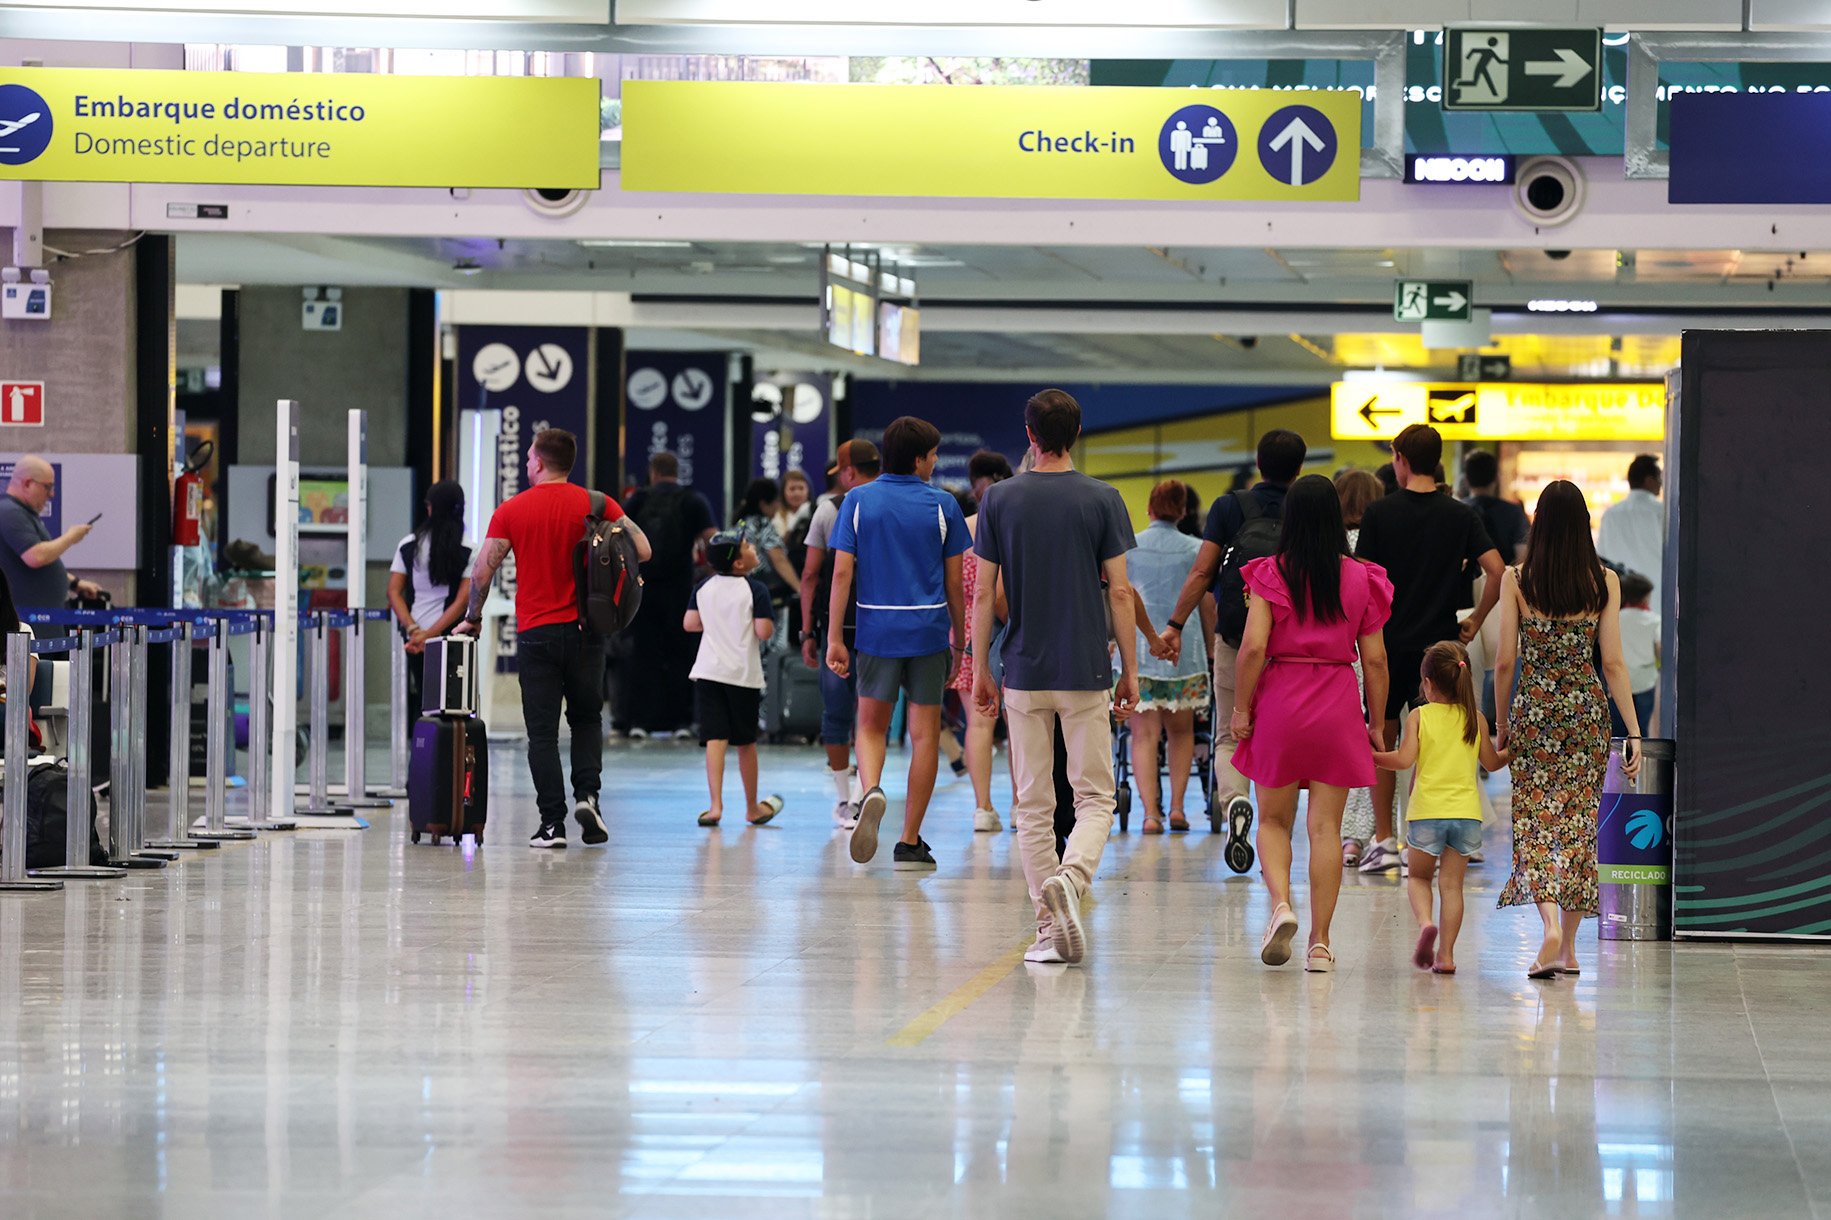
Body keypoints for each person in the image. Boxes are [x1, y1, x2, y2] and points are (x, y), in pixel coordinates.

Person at [973, 389, 1138, 966]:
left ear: (1029, 433)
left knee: (1032, 804)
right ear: (1077, 433)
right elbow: (1120, 590)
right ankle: (1072, 878)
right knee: (1094, 797)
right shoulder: (1104, 499)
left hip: (1021, 668)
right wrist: (1130, 671)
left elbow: (984, 596)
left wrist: (980, 668)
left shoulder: (998, 499)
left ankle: (1048, 928)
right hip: (1086, 665)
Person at [458, 428, 651, 849]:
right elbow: (644, 548)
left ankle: (552, 825)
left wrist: (472, 618)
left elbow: (482, 572)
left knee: (542, 733)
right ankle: (588, 797)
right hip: (587, 632)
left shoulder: (512, 509)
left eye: (529, 458)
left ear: (539, 463)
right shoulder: (598, 504)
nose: (527, 464)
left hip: (536, 635)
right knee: (586, 719)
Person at [1230, 474, 1391, 973]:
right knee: (1325, 827)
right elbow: (1377, 660)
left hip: (1281, 699)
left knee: (1274, 820)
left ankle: (1281, 904)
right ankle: (1320, 944)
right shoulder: (1363, 578)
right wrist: (1377, 723)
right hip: (1337, 701)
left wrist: (1241, 708)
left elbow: (1254, 646)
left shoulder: (1270, 573)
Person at [1495, 480, 1643, 979]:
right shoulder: (1604, 581)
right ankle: (1570, 949)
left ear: (1539, 523)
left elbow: (1503, 662)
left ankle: (1549, 928)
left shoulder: (1516, 579)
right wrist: (1635, 732)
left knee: (1536, 822)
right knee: (1581, 829)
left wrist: (1501, 725)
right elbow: (1614, 663)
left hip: (1535, 712)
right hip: (1586, 714)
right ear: (1584, 525)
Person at [1353, 425, 1504, 875]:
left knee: (1384, 736)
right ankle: (1427, 834)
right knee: (1439, 741)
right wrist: (1475, 619)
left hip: (1387, 642)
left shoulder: (1379, 514)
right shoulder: (1460, 516)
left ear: (1399, 458)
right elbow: (1496, 570)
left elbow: (1363, 576)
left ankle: (1383, 841)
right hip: (1440, 649)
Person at [827, 417, 969, 872]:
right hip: (928, 632)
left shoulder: (857, 501)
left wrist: (834, 637)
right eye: (932, 455)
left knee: (870, 726)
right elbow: (954, 582)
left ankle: (870, 791)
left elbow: (842, 574)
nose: (934, 462)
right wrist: (960, 641)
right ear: (917, 459)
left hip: (875, 630)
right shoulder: (943, 505)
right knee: (924, 732)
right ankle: (909, 841)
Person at [1158, 430, 1306, 862]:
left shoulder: (1230, 506)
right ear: (1299, 469)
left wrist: (1174, 624)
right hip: (1291, 645)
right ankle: (1272, 821)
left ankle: (1234, 799)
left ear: (1259, 464)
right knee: (1278, 736)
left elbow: (1203, 573)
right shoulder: (1306, 508)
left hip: (1236, 638)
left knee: (1228, 735)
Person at [1372, 641, 1511, 976]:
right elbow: (1492, 764)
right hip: (1466, 816)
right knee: (1452, 886)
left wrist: (1371, 757)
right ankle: (1446, 956)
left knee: (1419, 878)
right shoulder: (1475, 719)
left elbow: (1404, 760)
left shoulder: (1420, 716)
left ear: (1428, 684)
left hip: (1427, 813)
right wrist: (1514, 750)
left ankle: (1424, 925)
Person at [799, 439, 881, 828]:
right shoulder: (892, 504)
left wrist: (807, 631)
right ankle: (869, 790)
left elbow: (812, 575)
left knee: (836, 713)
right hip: (881, 626)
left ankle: (843, 800)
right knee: (873, 714)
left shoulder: (828, 510)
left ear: (848, 471)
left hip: (837, 628)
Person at [1126, 479, 1212, 835]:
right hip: (1184, 652)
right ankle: (1177, 807)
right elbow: (1207, 604)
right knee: (1181, 731)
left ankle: (1149, 814)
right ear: (1182, 511)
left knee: (1143, 734)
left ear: (1149, 507)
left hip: (1139, 650)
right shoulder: (1197, 550)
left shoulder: (1129, 548)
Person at [685, 531, 784, 829]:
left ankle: (715, 806)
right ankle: (752, 808)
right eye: (747, 546)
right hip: (743, 675)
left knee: (715, 738)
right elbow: (764, 631)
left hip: (708, 671)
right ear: (740, 563)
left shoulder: (703, 587)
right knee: (745, 742)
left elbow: (690, 624)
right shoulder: (756, 589)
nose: (753, 547)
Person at [617, 451, 716, 738]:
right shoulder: (693, 500)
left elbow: (618, 533)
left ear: (653, 472)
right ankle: (682, 722)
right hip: (680, 588)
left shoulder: (638, 499)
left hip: (643, 588)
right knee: (680, 654)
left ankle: (638, 721)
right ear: (676, 471)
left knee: (643, 652)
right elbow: (711, 538)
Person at [951, 473, 1010, 833]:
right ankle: (1023, 804)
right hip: (1003, 630)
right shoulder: (1006, 532)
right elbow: (1000, 595)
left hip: (963, 630)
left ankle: (982, 807)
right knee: (1019, 723)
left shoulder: (958, 534)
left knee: (977, 722)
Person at [387, 480, 473, 722]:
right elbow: (461, 602)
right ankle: (449, 757)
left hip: (414, 639)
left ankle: (423, 755)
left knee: (424, 703)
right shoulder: (469, 548)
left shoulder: (408, 545)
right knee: (453, 706)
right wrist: (432, 636)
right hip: (452, 638)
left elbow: (394, 591)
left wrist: (415, 630)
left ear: (431, 508)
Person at [1333, 468, 1383, 867]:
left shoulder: (1329, 548)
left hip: (1333, 657)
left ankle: (1340, 833)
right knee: (1368, 743)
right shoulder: (1378, 547)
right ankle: (1371, 834)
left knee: (1336, 749)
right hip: (1370, 650)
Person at [0, 456, 103, 610]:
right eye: (47, 487)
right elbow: (36, 556)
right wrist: (70, 537)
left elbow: (42, 562)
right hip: (30, 617)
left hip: (44, 614)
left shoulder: (23, 513)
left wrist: (75, 584)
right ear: (27, 483)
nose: (51, 494)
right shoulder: (9, 512)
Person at [1597, 454, 1665, 600]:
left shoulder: (1610, 514)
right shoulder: (1662, 512)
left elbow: (1601, 558)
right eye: (1659, 478)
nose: (1661, 483)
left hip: (1620, 597)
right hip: (1656, 597)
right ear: (1648, 480)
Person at [734, 476, 801, 600]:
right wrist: (800, 588)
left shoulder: (740, 524)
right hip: (761, 590)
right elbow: (779, 559)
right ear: (763, 504)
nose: (778, 506)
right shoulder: (762, 525)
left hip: (738, 589)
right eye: (776, 501)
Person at [1615, 570, 1660, 737]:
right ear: (1645, 596)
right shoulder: (1654, 620)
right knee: (1642, 732)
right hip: (1645, 682)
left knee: (1618, 734)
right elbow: (1659, 649)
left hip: (1619, 682)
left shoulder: (1616, 618)